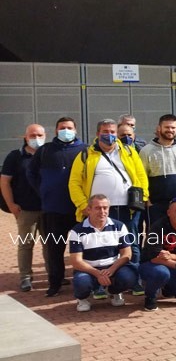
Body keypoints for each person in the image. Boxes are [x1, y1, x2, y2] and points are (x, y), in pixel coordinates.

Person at [68, 119, 148, 295]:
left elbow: (141, 175)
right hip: (99, 210)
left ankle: (132, 281)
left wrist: (143, 197)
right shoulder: (85, 155)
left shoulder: (128, 151)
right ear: (97, 134)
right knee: (97, 247)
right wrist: (83, 205)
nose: (110, 135)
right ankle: (97, 285)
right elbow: (74, 182)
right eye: (105, 131)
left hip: (128, 208)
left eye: (112, 131)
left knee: (132, 246)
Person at [29, 117, 87, 296]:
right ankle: (55, 283)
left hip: (79, 208)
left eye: (69, 128)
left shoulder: (84, 150)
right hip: (54, 209)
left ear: (75, 130)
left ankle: (85, 281)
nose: (66, 130)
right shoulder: (45, 150)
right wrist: (44, 191)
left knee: (85, 248)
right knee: (54, 248)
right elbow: (31, 173)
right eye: (62, 128)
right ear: (56, 131)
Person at [67, 194, 137, 312]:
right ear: (89, 209)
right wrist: (97, 273)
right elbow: (76, 261)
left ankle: (114, 291)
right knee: (81, 282)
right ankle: (82, 298)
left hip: (113, 267)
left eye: (105, 208)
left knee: (129, 277)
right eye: (98, 208)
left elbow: (127, 254)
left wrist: (111, 270)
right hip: (89, 269)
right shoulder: (77, 231)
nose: (102, 211)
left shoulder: (119, 226)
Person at [2, 124, 47, 291]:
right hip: (25, 209)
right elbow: (5, 181)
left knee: (50, 244)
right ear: (25, 137)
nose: (36, 138)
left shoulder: (48, 154)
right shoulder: (15, 156)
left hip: (48, 208)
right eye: (33, 135)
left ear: (45, 135)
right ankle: (25, 277)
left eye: (40, 135)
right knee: (25, 244)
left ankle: (53, 274)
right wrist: (11, 205)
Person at [139, 198, 176, 311]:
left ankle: (167, 287)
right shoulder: (157, 227)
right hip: (151, 265)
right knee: (161, 273)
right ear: (169, 213)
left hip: (173, 264)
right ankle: (150, 297)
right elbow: (154, 257)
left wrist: (172, 257)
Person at [141, 114, 176, 211]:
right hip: (156, 205)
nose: (170, 130)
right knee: (160, 227)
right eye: (167, 127)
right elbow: (142, 177)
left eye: (173, 127)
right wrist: (147, 201)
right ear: (159, 128)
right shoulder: (146, 151)